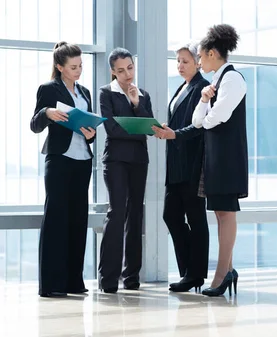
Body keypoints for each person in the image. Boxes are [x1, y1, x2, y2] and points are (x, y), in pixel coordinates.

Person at [30, 41, 97, 297]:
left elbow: (89, 127)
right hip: (59, 159)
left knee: (78, 219)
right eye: (73, 67)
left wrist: (91, 134)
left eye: (80, 65)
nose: (78, 70)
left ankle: (73, 282)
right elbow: (34, 125)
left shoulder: (85, 92)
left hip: (82, 160)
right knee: (56, 219)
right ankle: (52, 285)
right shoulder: (49, 89)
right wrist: (47, 113)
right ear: (60, 67)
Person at [191, 24, 248, 297]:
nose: (199, 62)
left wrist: (205, 114)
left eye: (201, 56)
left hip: (227, 157)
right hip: (217, 156)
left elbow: (217, 118)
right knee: (220, 214)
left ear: (213, 53)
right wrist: (203, 101)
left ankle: (222, 273)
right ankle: (229, 269)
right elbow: (198, 120)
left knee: (226, 214)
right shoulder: (217, 82)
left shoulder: (233, 79)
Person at [151, 42, 211, 292]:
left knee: (196, 219)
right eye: (177, 61)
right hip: (176, 164)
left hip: (193, 164)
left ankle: (194, 273)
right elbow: (181, 122)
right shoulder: (181, 87)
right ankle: (189, 271)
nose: (180, 65)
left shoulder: (202, 88)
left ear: (198, 61)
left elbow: (200, 126)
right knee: (171, 216)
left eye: (185, 61)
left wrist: (174, 134)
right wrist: (169, 128)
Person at [97, 48, 153, 293]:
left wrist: (136, 104)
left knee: (136, 216)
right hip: (116, 161)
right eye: (120, 70)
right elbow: (112, 130)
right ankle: (108, 279)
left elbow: (150, 129)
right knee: (116, 213)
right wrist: (137, 129)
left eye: (130, 68)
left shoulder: (143, 95)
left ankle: (131, 277)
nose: (127, 74)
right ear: (112, 71)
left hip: (139, 161)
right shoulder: (105, 94)